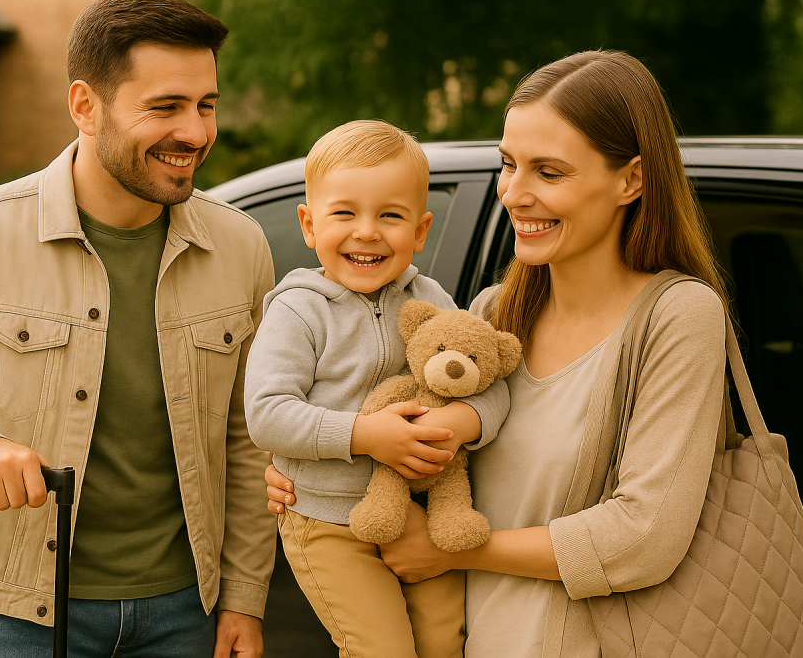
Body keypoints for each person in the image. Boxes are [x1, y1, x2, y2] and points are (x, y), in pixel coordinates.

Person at [265, 50, 731, 657]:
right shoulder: (489, 317)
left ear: (631, 179)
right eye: (508, 165)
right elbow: (375, 422)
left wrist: (455, 547)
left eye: (549, 172)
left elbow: (643, 536)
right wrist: (312, 471)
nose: (513, 193)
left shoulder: (677, 317)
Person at [0, 0, 275, 658]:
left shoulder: (244, 247)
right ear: (85, 105)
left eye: (205, 106)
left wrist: (245, 598)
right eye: (165, 106)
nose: (195, 132)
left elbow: (249, 436)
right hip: (15, 612)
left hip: (185, 609)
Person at [243, 120, 511, 658]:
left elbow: (488, 382)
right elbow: (268, 414)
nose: (367, 232)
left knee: (446, 643)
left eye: (390, 215)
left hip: (416, 516)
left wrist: (460, 423)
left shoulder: (431, 298)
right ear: (309, 224)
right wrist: (365, 436)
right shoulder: (298, 310)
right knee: (380, 650)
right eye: (345, 213)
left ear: (420, 230)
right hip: (324, 522)